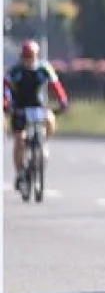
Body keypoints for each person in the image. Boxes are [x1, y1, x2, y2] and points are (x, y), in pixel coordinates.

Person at [3, 40, 69, 192]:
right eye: (26, 57)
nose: (29, 60)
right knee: (19, 141)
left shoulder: (44, 68)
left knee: (50, 119)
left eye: (31, 56)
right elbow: (4, 86)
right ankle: (20, 172)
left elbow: (55, 86)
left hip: (38, 106)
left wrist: (62, 101)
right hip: (20, 108)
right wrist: (6, 102)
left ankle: (41, 142)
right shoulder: (15, 71)